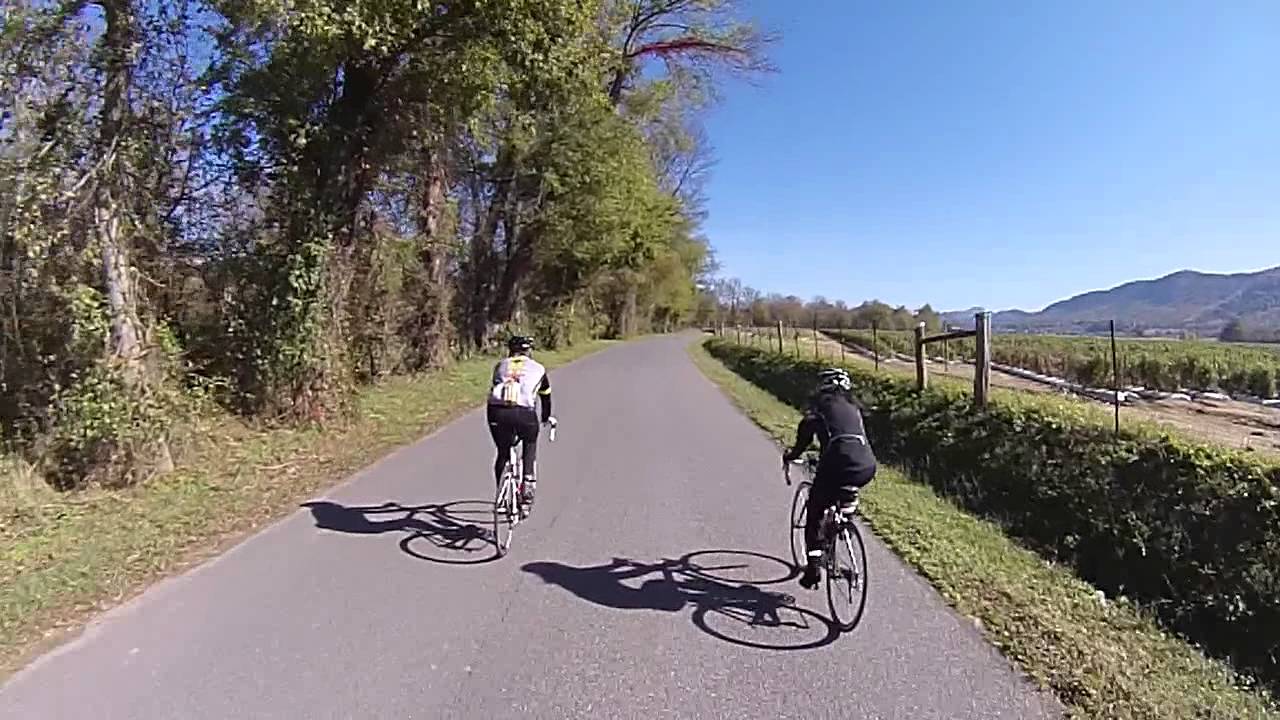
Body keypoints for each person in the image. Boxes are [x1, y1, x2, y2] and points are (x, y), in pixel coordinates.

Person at [782, 367, 877, 590]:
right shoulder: (855, 409)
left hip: (835, 464)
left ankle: (813, 569)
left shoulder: (819, 410)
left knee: (815, 511)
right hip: (867, 465)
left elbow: (803, 442)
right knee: (845, 489)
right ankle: (846, 515)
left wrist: (791, 456)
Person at [488, 335, 556, 508]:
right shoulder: (538, 368)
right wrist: (545, 417)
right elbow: (545, 397)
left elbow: (496, 387)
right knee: (530, 442)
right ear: (529, 351)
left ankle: (501, 496)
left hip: (497, 412)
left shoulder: (500, 366)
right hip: (525, 413)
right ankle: (527, 482)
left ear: (510, 351)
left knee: (503, 451)